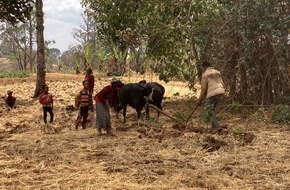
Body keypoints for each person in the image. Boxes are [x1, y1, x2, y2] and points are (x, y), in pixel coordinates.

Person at [196, 61, 225, 132]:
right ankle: (214, 127)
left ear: (205, 67)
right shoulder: (217, 72)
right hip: (220, 91)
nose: (203, 69)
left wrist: (199, 100)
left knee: (209, 109)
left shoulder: (205, 74)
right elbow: (222, 83)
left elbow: (203, 89)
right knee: (212, 109)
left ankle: (216, 127)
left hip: (213, 93)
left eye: (203, 68)